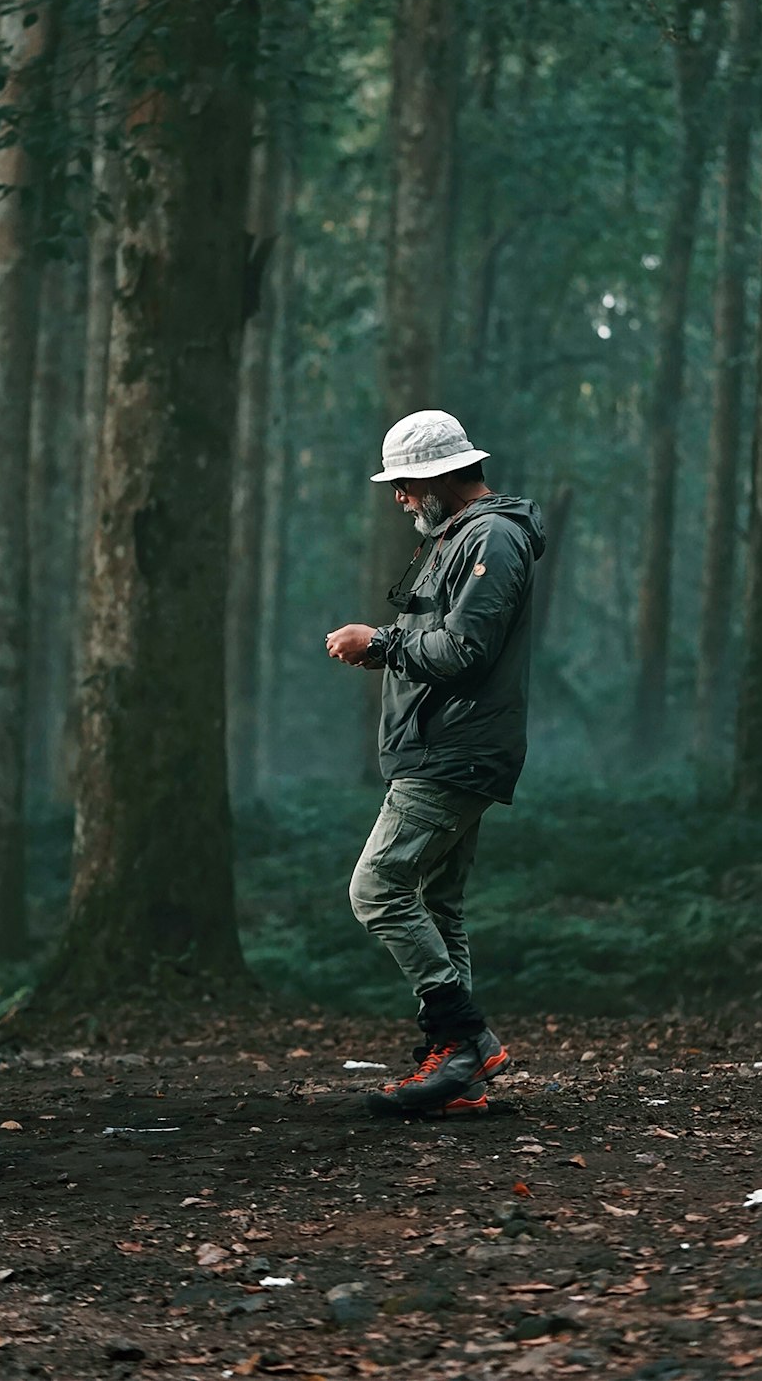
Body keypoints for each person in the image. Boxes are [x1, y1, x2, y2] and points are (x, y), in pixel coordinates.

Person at [325, 409, 545, 1116]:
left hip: (454, 751)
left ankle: (462, 1041)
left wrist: (380, 642)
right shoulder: (462, 536)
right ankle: (460, 1075)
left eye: (407, 484)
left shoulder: (491, 538)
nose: (398, 499)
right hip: (447, 745)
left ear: (442, 477)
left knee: (378, 888)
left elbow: (464, 651)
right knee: (440, 902)